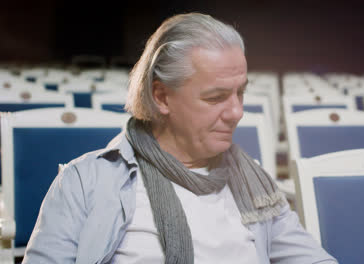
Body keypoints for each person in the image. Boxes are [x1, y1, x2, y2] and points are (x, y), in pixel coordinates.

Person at [23, 13, 338, 264]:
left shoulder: (254, 184)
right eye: (216, 97)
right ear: (161, 96)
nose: (236, 112)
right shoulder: (85, 183)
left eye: (240, 93)